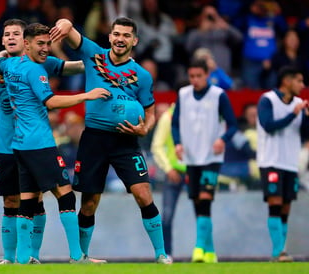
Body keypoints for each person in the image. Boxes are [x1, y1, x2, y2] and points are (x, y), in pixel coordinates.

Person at [0, 19, 86, 264]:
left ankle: (32, 257)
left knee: (35, 199)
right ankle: (10, 258)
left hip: (34, 142)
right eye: (7, 34)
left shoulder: (40, 60)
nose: (11, 37)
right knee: (11, 200)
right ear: (3, 40)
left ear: (24, 40)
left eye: (16, 33)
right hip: (6, 145)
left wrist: (106, 61)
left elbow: (74, 68)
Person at [49, 17, 172, 264]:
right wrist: (65, 23)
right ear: (110, 36)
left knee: (143, 194)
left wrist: (144, 129)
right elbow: (71, 32)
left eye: (126, 35)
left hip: (126, 141)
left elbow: (149, 110)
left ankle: (161, 254)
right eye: (116, 34)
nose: (120, 39)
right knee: (90, 202)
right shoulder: (94, 55)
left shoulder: (142, 76)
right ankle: (81, 257)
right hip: (94, 139)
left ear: (134, 41)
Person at [171, 59, 237, 263]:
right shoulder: (183, 95)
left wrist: (222, 139)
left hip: (211, 156)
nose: (195, 80)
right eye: (192, 76)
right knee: (198, 203)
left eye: (199, 76)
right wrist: (178, 144)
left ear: (207, 75)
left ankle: (198, 248)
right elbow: (175, 124)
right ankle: (210, 251)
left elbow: (233, 124)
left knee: (206, 197)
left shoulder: (218, 95)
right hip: (191, 157)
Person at [256, 66, 309, 262]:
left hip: (290, 162)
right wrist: (293, 114)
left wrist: (307, 117)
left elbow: (305, 135)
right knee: (275, 202)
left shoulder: (299, 103)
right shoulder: (268, 100)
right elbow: (269, 126)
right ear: (287, 81)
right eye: (299, 81)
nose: (303, 85)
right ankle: (278, 251)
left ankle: (282, 250)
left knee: (286, 207)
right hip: (271, 160)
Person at [150, 103, 186, 258]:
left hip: (195, 170)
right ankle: (167, 254)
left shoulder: (200, 112)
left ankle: (204, 251)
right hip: (175, 171)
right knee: (167, 215)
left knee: (203, 213)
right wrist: (168, 168)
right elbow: (157, 146)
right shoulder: (168, 117)